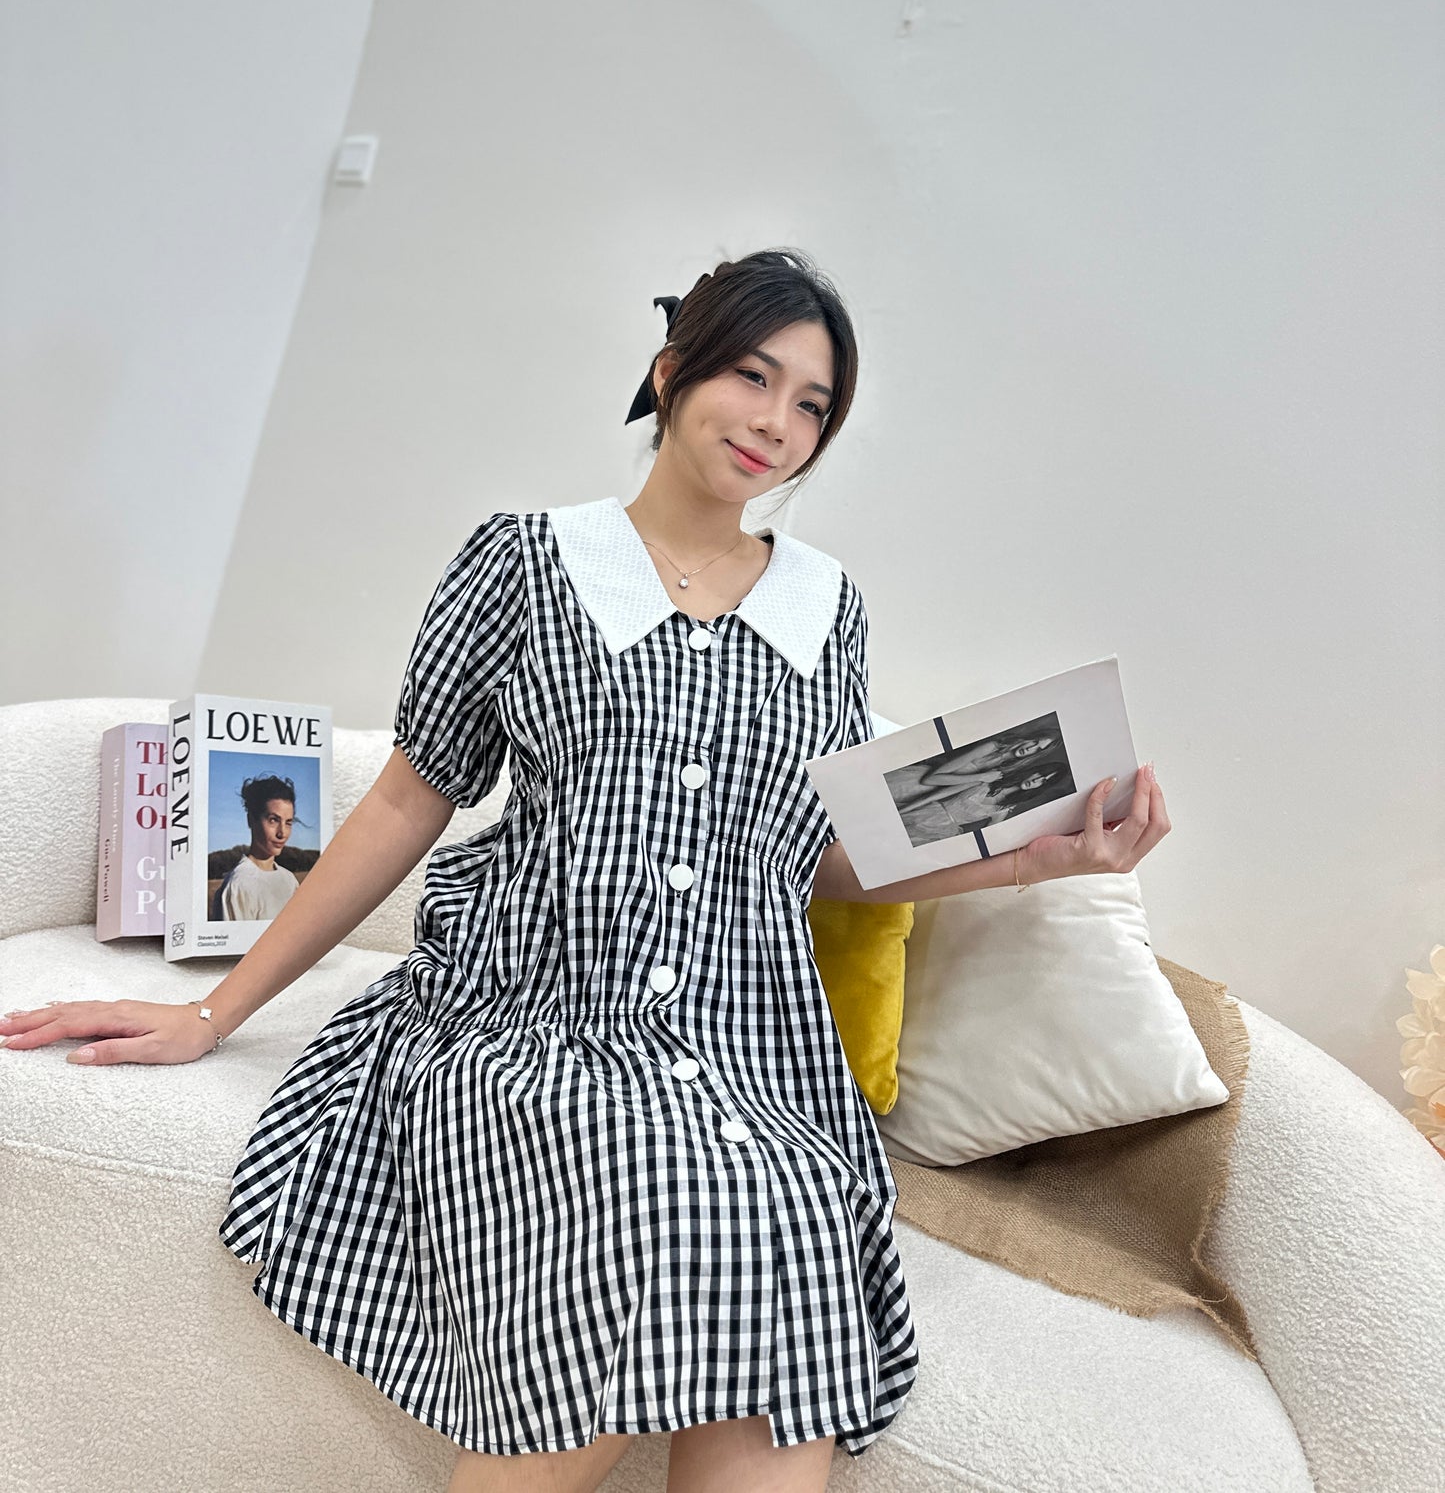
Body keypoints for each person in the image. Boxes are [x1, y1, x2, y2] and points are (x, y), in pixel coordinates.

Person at [0, 246, 1171, 1493]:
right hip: (533, 1015)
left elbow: (814, 853)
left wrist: (1029, 861)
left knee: (789, 1221)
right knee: (648, 1192)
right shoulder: (525, 561)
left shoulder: (827, 611)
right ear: (670, 372)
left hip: (745, 1045)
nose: (775, 423)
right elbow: (406, 797)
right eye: (750, 376)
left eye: (811, 404)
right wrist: (211, 1012)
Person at [214, 775, 302, 920]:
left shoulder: (290, 881)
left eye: (288, 823)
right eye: (273, 820)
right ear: (251, 820)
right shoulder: (238, 885)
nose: (282, 833)